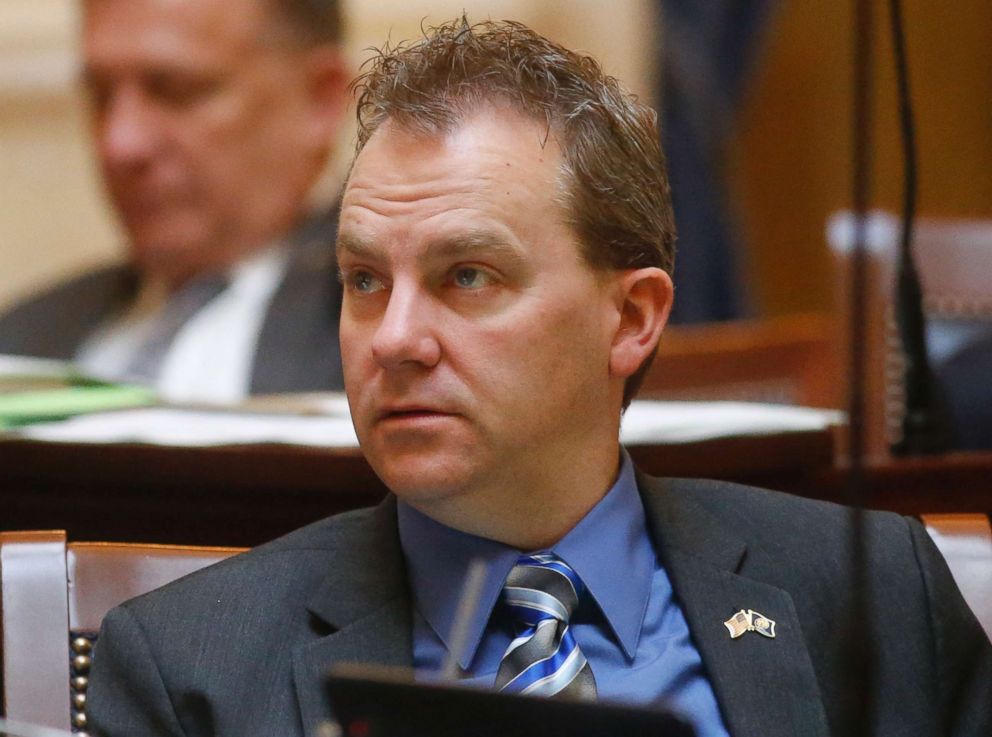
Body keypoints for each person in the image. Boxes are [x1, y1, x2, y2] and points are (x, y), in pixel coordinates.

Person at [87, 18, 991, 737]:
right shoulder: (187, 666)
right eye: (365, 280)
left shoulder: (872, 589)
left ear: (631, 318)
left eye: (466, 276)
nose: (393, 337)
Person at [0, 0, 349, 402]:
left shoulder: (387, 335)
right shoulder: (22, 336)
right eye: (100, 96)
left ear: (319, 100)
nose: (121, 144)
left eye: (177, 91)